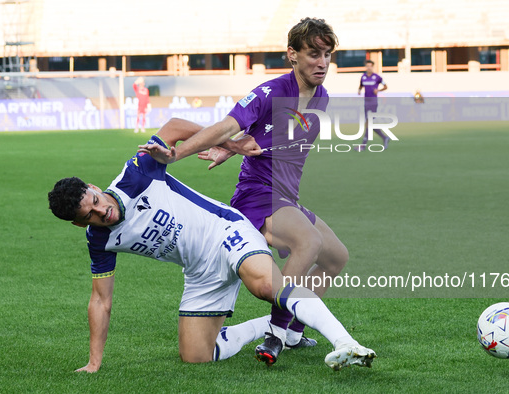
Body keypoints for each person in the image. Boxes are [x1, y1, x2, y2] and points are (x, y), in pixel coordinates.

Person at [48, 118, 376, 372]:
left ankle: (346, 343)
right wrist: (94, 362)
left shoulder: (136, 174)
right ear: (80, 224)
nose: (100, 211)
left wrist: (229, 144)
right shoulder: (99, 240)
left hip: (227, 232)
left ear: (93, 187)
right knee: (197, 357)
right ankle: (272, 327)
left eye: (94, 200)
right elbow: (100, 301)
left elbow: (174, 126)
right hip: (200, 272)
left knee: (266, 286)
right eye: (89, 215)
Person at [138, 17, 367, 367]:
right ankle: (276, 332)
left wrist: (234, 148)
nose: (322, 63)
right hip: (257, 195)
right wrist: (176, 154)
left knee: (337, 257)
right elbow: (226, 126)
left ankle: (292, 330)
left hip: (286, 198)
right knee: (309, 243)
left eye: (327, 55)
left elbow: (277, 137)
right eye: (313, 54)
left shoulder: (321, 96)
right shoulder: (269, 92)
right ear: (292, 54)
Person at [357, 59, 388, 150]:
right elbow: (361, 85)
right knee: (369, 123)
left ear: (372, 67)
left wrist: (378, 90)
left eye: (370, 66)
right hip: (366, 102)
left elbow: (386, 86)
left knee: (368, 122)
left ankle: (363, 145)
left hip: (373, 102)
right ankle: (384, 137)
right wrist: (359, 90)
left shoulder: (377, 77)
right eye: (367, 66)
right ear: (366, 67)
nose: (369, 67)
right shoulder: (363, 77)